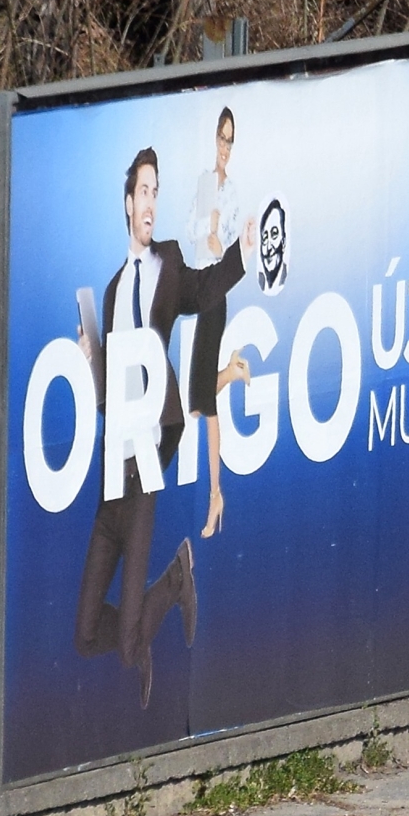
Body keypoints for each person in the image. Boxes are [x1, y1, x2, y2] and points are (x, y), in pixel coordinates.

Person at [76, 148, 251, 709]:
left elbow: (202, 292)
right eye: (144, 192)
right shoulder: (109, 290)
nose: (151, 201)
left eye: (157, 191)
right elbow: (108, 397)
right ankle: (147, 615)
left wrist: (243, 256)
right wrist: (91, 362)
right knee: (84, 636)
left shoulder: (169, 264)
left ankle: (174, 586)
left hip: (145, 467)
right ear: (128, 204)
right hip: (112, 475)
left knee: (127, 651)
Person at [183, 107, 252, 537]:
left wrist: (224, 238)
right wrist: (204, 229)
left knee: (204, 406)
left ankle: (215, 497)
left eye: (231, 141)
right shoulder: (204, 184)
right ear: (213, 139)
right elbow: (192, 230)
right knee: (198, 402)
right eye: (221, 139)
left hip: (216, 294)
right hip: (199, 286)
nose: (225, 147)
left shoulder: (234, 194)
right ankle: (232, 370)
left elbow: (226, 247)